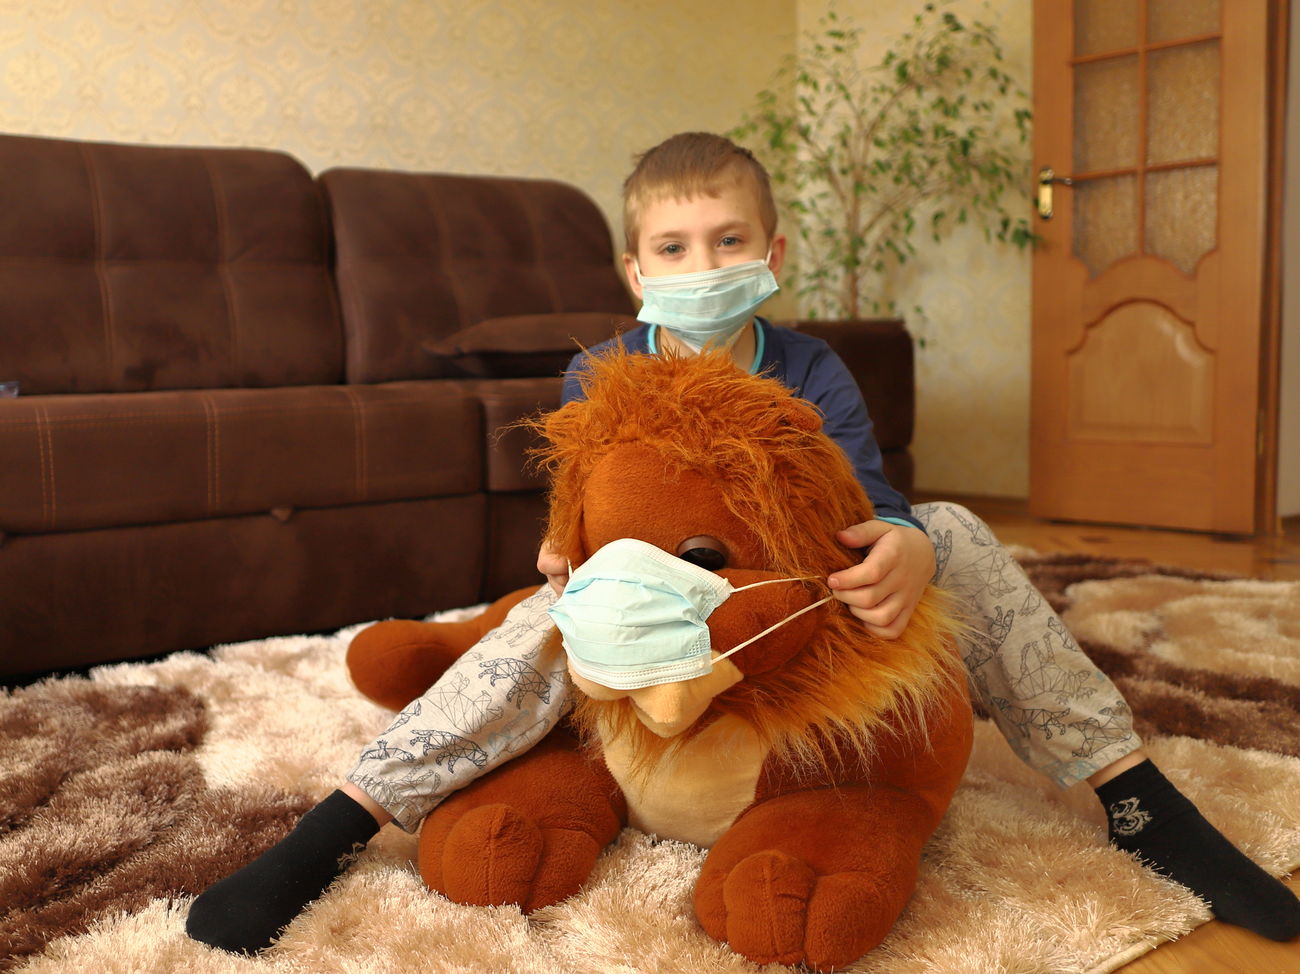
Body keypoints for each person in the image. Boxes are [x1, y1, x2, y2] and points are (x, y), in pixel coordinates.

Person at [186, 133, 1300, 954]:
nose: (702, 261)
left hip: (786, 592)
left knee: (955, 527)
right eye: (673, 246)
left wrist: (905, 541)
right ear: (636, 272)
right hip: (647, 597)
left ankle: (1133, 796)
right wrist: (564, 559)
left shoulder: (808, 366)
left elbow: (868, 493)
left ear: (772, 251)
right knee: (542, 618)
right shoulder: (599, 372)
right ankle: (344, 821)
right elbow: (585, 507)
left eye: (727, 240)